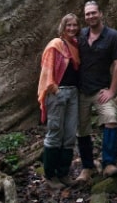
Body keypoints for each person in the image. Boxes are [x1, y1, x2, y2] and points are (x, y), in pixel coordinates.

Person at [74, 0, 117, 182]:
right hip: (81, 91)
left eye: (93, 13)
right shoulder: (80, 35)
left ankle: (109, 164)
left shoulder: (113, 36)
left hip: (101, 90)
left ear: (100, 13)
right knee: (82, 129)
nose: (90, 16)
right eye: (87, 14)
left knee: (111, 119)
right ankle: (88, 167)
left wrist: (112, 90)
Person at [36, 13, 81, 189]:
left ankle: (63, 173)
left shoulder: (76, 46)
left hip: (73, 94)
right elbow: (46, 71)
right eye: (68, 25)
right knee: (55, 133)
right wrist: (54, 89)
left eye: (75, 25)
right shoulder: (55, 45)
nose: (72, 28)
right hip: (58, 93)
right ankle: (50, 175)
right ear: (62, 27)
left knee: (69, 134)